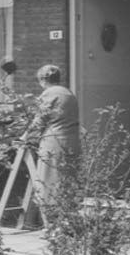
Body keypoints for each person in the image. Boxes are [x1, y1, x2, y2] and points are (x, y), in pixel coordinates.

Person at [26, 64, 81, 210]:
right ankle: (68, 212)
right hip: (72, 140)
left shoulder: (49, 93)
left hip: (54, 141)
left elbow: (40, 119)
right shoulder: (69, 93)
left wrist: (25, 136)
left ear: (42, 80)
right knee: (68, 179)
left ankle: (50, 215)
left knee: (49, 181)